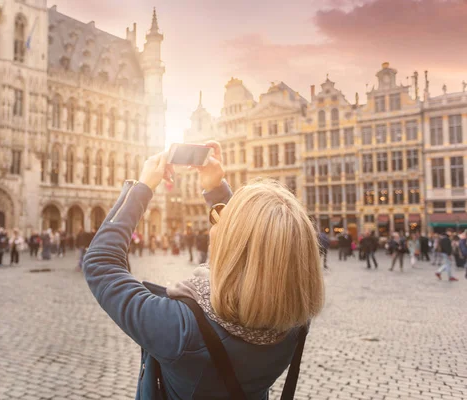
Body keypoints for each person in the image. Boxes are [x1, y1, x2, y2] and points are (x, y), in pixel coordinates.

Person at [82, 144, 324, 399]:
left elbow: (100, 262)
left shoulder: (182, 329)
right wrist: (215, 186)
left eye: (223, 217)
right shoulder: (295, 319)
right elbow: (256, 251)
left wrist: (141, 189)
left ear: (231, 240)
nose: (215, 220)